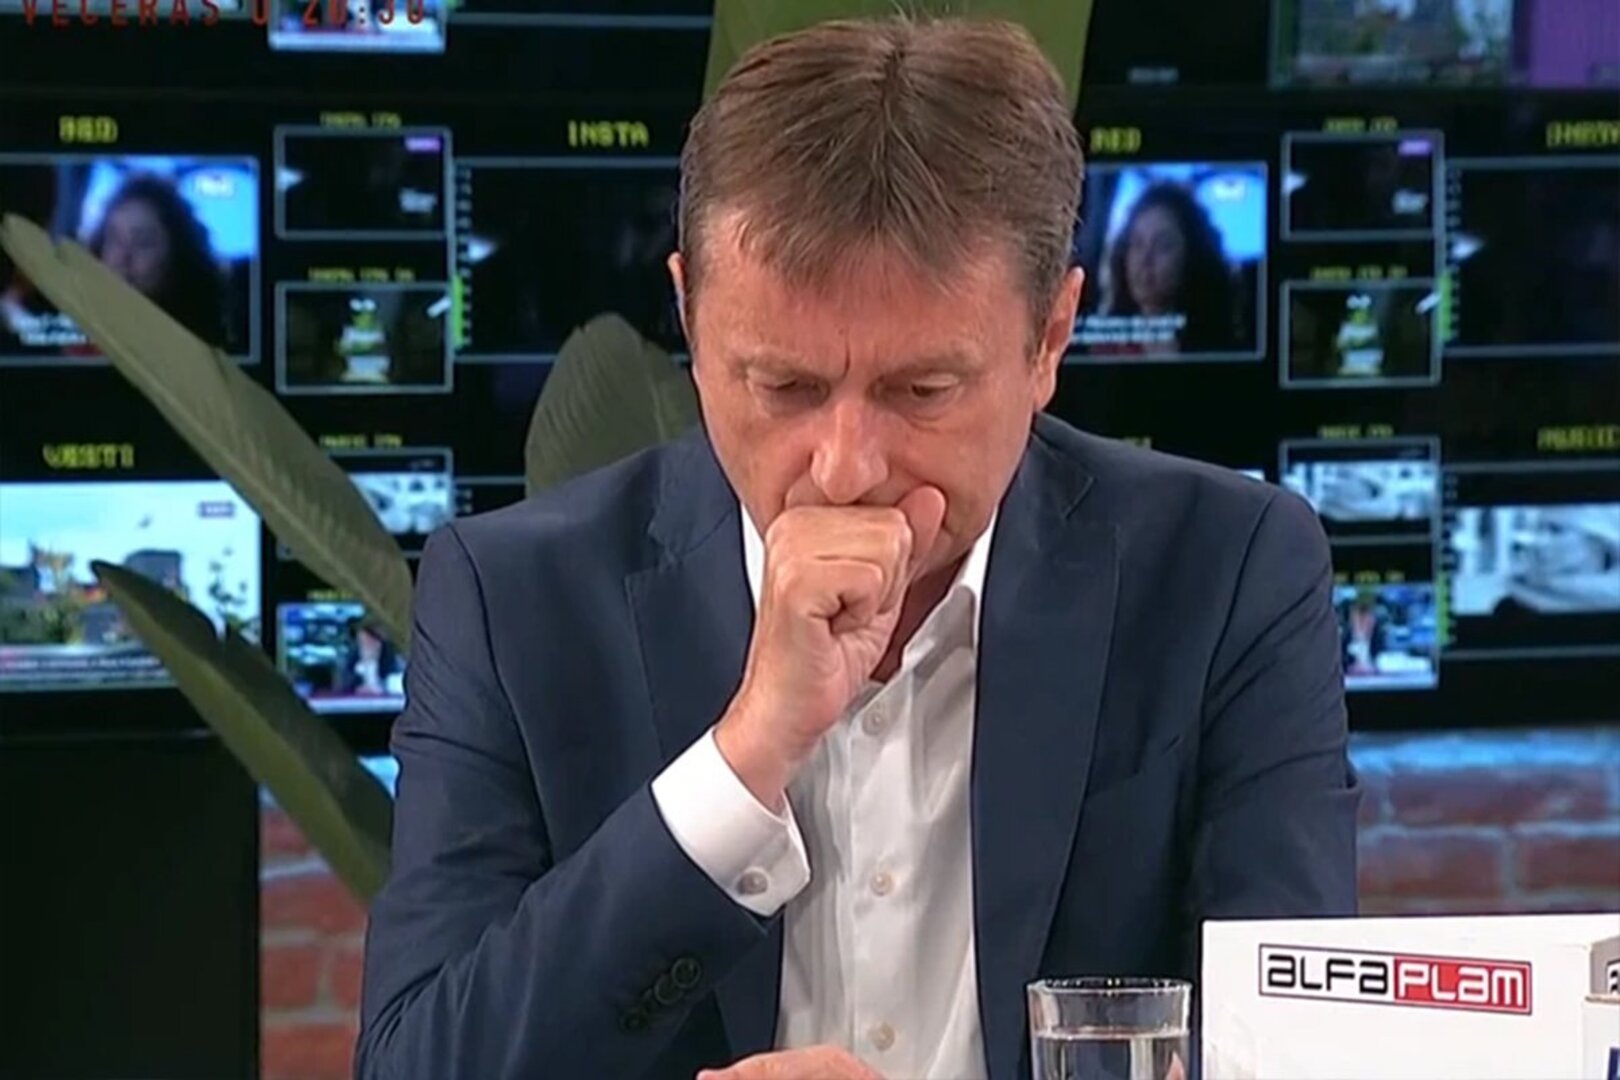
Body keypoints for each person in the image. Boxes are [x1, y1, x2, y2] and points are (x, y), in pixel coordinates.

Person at [355, 15, 1360, 1080]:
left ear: (1050, 339)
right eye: (783, 385)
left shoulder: (1230, 575)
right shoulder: (512, 601)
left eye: (920, 390)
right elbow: (420, 1065)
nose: (844, 469)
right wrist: (744, 757)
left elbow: (1290, 1058)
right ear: (690, 316)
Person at [1094, 181, 1239, 356]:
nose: (1145, 260)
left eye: (1163, 245)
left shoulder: (1219, 347)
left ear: (1191, 255)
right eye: (1137, 244)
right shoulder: (1105, 347)